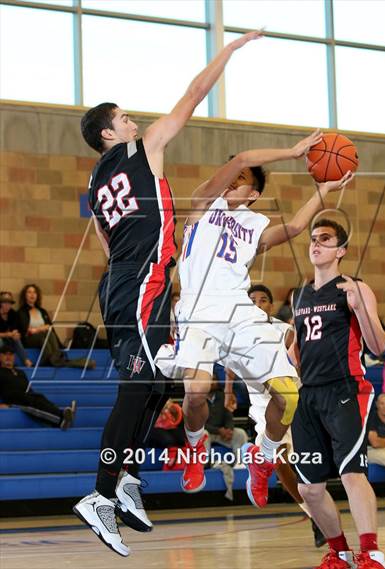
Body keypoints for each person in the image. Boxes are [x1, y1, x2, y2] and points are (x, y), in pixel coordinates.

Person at [72, 30, 263, 557]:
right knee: (138, 389)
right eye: (125, 117)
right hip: (138, 282)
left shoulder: (96, 181)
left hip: (135, 279)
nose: (134, 121)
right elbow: (194, 94)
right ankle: (101, 493)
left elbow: (102, 238)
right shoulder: (139, 149)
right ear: (111, 133)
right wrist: (227, 51)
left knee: (156, 385)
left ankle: (127, 475)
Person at [155, 132, 353, 506]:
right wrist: (292, 153)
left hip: (240, 313)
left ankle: (261, 458)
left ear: (253, 195)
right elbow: (242, 156)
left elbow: (294, 228)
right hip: (198, 312)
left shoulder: (255, 223)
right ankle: (196, 449)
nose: (233, 179)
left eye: (242, 180)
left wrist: (324, 189)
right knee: (196, 393)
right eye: (232, 174)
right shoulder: (203, 204)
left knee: (288, 395)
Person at [288, 219, 385, 569]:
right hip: (310, 395)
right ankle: (340, 553)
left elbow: (378, 346)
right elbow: (296, 350)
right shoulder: (299, 295)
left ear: (341, 250)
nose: (316, 244)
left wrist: (360, 309)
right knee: (309, 489)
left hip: (346, 389)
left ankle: (372, 554)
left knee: (351, 473)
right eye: (313, 239)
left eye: (325, 239)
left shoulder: (356, 288)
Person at [244, 283, 326, 547]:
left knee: (306, 464)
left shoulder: (285, 330)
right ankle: (314, 516)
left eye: (264, 299)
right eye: (252, 299)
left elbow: (303, 361)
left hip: (294, 398)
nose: (258, 303)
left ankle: (318, 512)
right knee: (279, 461)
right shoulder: (237, 333)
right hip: (262, 405)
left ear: (270, 305)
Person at [17, 284, 95, 369]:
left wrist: (39, 329)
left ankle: (50, 360)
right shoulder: (22, 311)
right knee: (45, 335)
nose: (32, 295)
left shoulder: (42, 311)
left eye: (34, 292)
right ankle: (57, 359)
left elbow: (50, 327)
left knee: (47, 336)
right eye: (29, 292)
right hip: (30, 339)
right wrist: (42, 328)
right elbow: (27, 330)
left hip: (44, 338)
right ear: (25, 295)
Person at [0, 345, 76, 429]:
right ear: (0, 356)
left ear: (14, 357)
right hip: (14, 401)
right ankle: (60, 421)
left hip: (27, 396)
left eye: (11, 354)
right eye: (5, 354)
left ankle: (63, 415)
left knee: (40, 398)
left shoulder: (20, 372)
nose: (8, 357)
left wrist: (34, 395)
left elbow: (28, 388)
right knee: (34, 406)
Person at [205, 375, 248, 457]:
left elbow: (229, 416)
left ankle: (240, 462)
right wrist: (218, 430)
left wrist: (229, 430)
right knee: (202, 434)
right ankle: (203, 463)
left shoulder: (223, 396)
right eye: (209, 380)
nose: (211, 382)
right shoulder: (197, 398)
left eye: (214, 380)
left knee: (240, 433)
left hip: (222, 433)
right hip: (208, 432)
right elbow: (198, 425)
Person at [0, 291, 32, 367]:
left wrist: (15, 334)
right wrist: (8, 334)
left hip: (9, 339)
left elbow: (15, 329)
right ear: (0, 304)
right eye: (5, 303)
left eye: (9, 303)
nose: (7, 305)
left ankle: (26, 360)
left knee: (16, 338)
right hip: (2, 339)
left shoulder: (13, 314)